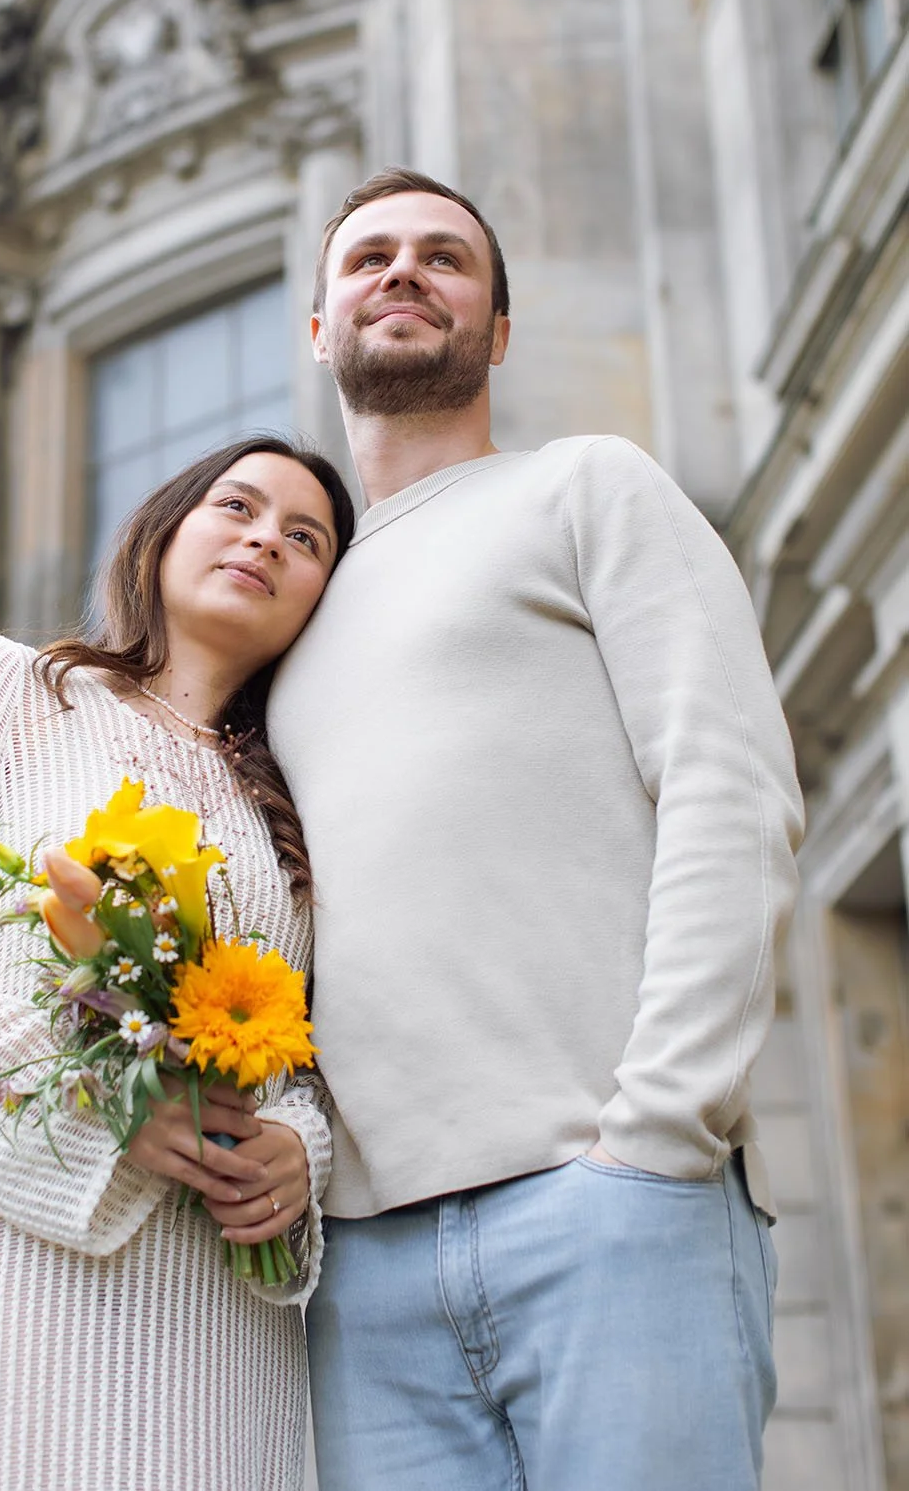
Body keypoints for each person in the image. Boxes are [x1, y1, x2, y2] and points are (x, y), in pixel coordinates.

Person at [267, 167, 805, 1491]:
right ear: (319, 326)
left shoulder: (588, 488)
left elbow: (728, 786)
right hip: (361, 1277)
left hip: (607, 1206)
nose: (402, 272)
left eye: (444, 258)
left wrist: (658, 1132)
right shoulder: (292, 611)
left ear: (497, 330)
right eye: (368, 257)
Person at [0, 436, 355, 1491]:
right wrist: (108, 1111)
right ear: (163, 530)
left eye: (305, 537)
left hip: (213, 1329)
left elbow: (308, 1064)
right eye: (236, 506)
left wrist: (297, 1150)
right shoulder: (11, 690)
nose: (264, 539)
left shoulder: (299, 811)